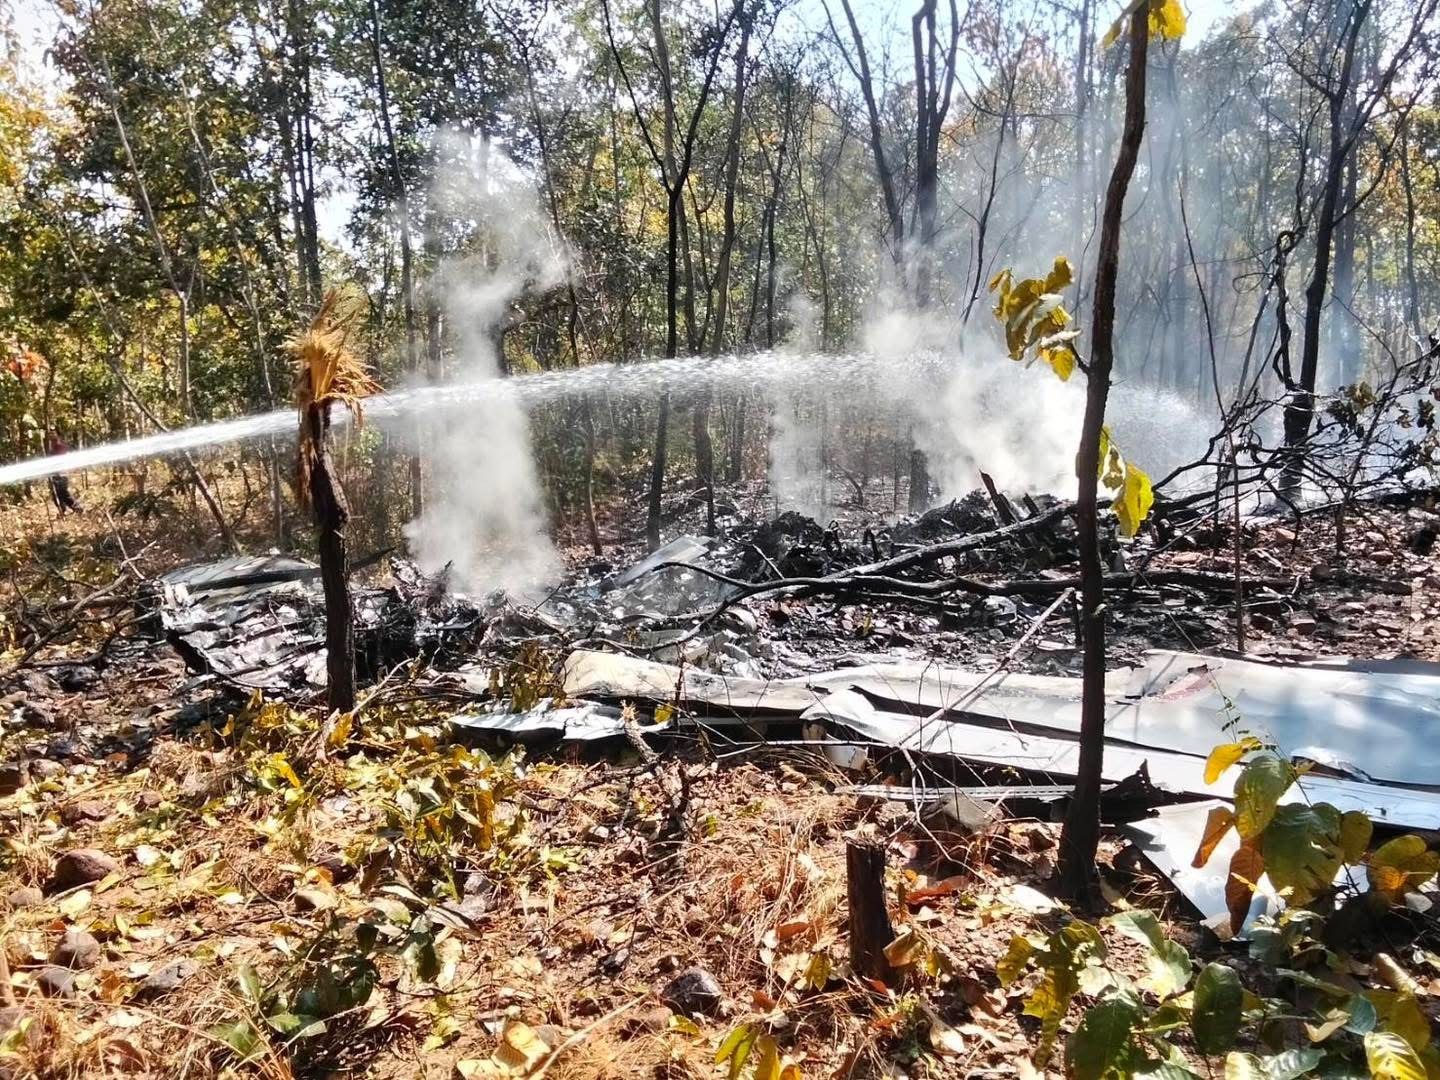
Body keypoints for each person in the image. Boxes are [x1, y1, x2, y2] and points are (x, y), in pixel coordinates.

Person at [45, 431, 82, 515]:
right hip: (55, 475)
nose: (51, 435)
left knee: (64, 494)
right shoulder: (52, 448)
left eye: (53, 433)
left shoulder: (61, 447)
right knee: (56, 495)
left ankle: (78, 508)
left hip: (61, 474)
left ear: (58, 435)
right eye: (50, 434)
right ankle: (63, 511)